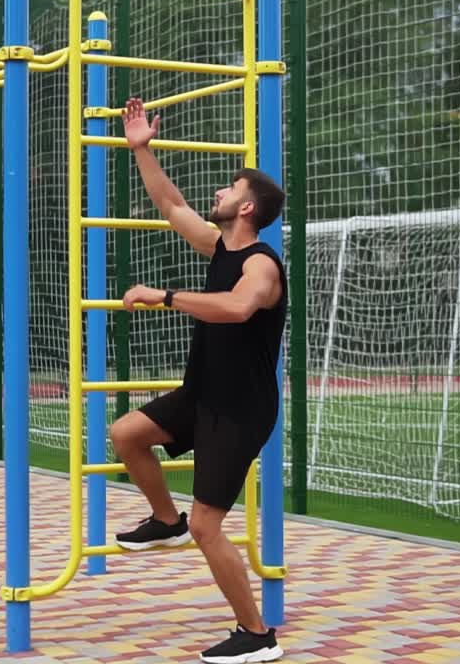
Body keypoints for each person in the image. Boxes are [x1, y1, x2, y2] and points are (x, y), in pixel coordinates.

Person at [110, 97, 287, 664]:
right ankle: (167, 521)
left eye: (229, 189)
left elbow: (236, 309)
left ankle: (257, 635)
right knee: (126, 434)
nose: (218, 193)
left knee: (210, 527)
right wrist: (142, 149)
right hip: (203, 394)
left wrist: (163, 296)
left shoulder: (261, 265)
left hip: (240, 409)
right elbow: (171, 204)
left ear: (247, 207)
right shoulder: (218, 247)